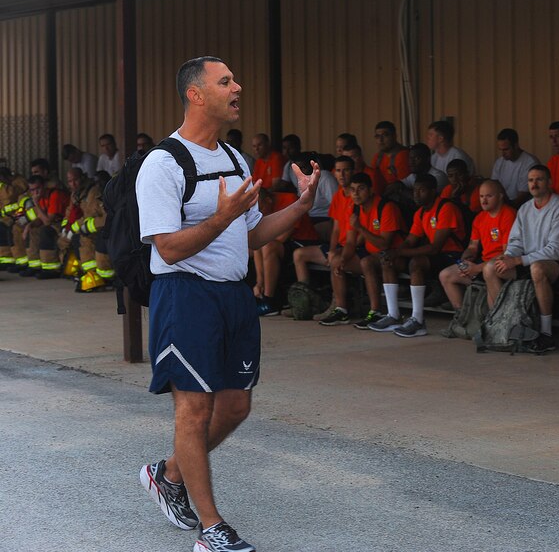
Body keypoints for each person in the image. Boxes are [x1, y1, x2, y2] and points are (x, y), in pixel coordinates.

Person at [136, 56, 320, 552]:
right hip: (185, 295)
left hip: (234, 296)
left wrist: (300, 207)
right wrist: (221, 219)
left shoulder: (237, 159)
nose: (238, 86)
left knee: (235, 406)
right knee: (193, 410)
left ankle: (168, 473)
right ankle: (211, 529)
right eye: (225, 82)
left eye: (235, 79)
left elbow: (253, 236)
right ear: (196, 95)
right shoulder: (163, 163)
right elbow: (168, 248)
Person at [483, 165, 559, 352]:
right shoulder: (524, 209)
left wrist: (518, 260)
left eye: (539, 179)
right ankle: (506, 322)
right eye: (531, 180)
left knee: (537, 268)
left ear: (550, 183)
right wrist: (508, 256)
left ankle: (545, 334)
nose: (534, 184)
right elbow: (515, 241)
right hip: (530, 261)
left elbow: (556, 251)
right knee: (491, 267)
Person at [369, 173, 466, 337]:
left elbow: (435, 247)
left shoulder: (445, 207)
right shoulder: (420, 213)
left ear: (433, 191)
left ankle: (418, 320)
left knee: (416, 263)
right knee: (387, 261)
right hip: (436, 257)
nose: (416, 194)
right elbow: (410, 240)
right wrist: (395, 252)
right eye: (415, 190)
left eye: (422, 190)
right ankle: (393, 315)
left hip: (453, 256)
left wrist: (400, 251)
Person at [336, 172, 406, 328]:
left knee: (367, 262)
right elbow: (350, 242)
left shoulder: (386, 207)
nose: (355, 193)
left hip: (396, 256)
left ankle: (376, 311)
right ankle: (341, 310)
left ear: (371, 190)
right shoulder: (355, 209)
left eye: (360, 189)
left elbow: (385, 245)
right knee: (337, 262)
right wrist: (342, 259)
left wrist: (360, 227)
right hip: (373, 255)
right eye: (352, 189)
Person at [291, 155, 356, 317]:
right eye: (339, 171)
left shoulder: (358, 196)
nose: (342, 175)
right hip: (339, 245)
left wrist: (337, 253)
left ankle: (339, 307)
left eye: (346, 170)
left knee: (334, 260)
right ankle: (305, 302)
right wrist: (332, 249)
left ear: (353, 172)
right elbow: (336, 228)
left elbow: (356, 234)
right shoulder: (339, 196)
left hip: (355, 248)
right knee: (299, 254)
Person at [439, 179, 516, 309]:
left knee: (489, 269)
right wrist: (465, 261)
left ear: (500, 196)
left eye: (489, 196)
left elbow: (507, 253)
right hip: (483, 263)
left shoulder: (508, 214)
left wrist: (476, 268)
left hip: (503, 266)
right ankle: (464, 318)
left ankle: (499, 320)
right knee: (445, 275)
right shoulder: (479, 217)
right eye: (481, 196)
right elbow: (473, 247)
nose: (484, 200)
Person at [20, 174, 68, 278]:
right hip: (52, 222)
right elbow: (41, 218)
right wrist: (29, 225)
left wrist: (36, 204)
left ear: (44, 186)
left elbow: (47, 221)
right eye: (32, 190)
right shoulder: (41, 197)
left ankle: (51, 269)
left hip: (63, 224)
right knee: (32, 230)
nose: (35, 193)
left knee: (46, 231)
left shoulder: (55, 195)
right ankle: (35, 265)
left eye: (38, 188)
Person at [490, 128, 539, 206]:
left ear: (516, 145)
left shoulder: (530, 162)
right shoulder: (499, 162)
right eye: (501, 150)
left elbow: (522, 197)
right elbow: (493, 186)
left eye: (506, 149)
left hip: (522, 207)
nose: (503, 153)